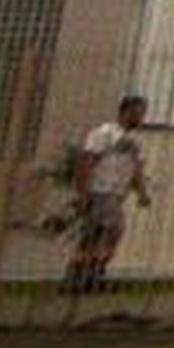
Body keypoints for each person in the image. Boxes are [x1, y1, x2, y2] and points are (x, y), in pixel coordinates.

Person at [66, 95, 151, 293]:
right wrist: (83, 193)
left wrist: (141, 192)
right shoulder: (104, 133)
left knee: (95, 236)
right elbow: (86, 162)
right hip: (101, 191)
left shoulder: (134, 140)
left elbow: (135, 168)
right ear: (126, 112)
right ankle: (91, 275)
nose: (141, 118)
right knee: (112, 230)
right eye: (138, 113)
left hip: (116, 194)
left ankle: (82, 277)